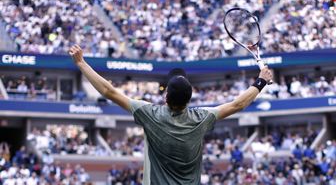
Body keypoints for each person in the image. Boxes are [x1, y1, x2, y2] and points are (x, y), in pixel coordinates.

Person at [69, 45, 273, 185]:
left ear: (166, 96)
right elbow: (238, 104)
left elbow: (109, 91)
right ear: (190, 99)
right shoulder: (201, 118)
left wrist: (81, 63)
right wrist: (260, 81)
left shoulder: (150, 114)